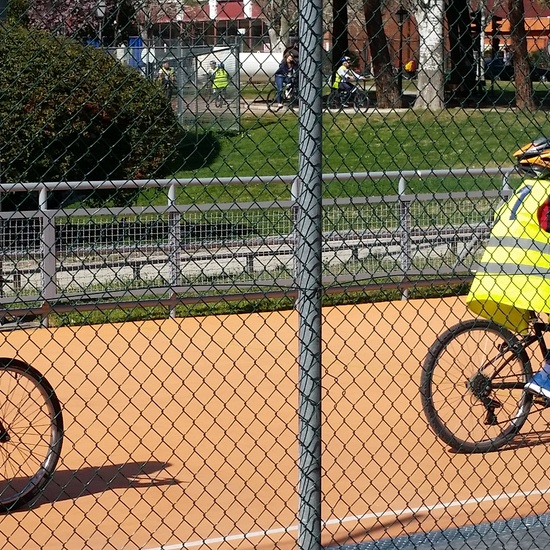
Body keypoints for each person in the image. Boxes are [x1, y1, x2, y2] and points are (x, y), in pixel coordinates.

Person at [466, 137, 550, 398]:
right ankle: (546, 379)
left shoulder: (522, 192)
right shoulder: (547, 194)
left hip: (496, 276)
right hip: (529, 278)